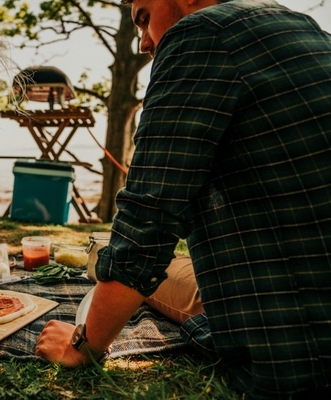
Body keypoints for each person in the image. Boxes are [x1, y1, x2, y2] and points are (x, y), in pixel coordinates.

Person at [35, 0, 331, 397]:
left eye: (143, 18)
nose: (142, 43)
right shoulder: (305, 29)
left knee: (130, 266)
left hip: (299, 347)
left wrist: (83, 344)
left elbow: (149, 217)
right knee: (167, 273)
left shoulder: (198, 35)